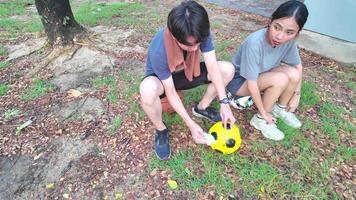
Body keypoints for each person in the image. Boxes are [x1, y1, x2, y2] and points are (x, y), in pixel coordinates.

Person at [140, 0, 236, 160]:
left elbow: (212, 66)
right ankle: (161, 129)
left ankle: (202, 108)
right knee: (147, 90)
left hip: (188, 72)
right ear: (173, 35)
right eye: (188, 45)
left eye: (197, 43)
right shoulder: (159, 49)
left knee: (227, 69)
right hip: (163, 81)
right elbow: (170, 91)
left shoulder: (199, 31)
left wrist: (224, 102)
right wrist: (191, 124)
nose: (195, 48)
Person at [227, 0, 309, 141]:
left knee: (294, 74)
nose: (280, 36)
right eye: (277, 27)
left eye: (289, 32)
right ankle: (259, 119)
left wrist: (296, 95)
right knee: (280, 79)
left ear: (297, 33)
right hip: (240, 82)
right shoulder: (255, 43)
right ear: (270, 21)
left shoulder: (289, 42)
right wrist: (264, 113)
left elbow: (298, 66)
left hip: (261, 75)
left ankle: (280, 108)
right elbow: (252, 83)